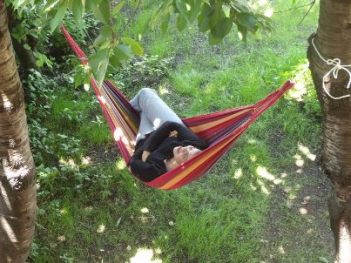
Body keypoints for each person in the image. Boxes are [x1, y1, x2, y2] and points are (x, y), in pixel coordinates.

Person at [129, 88, 208, 182]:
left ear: (181, 168)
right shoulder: (198, 146)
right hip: (163, 127)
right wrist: (148, 150)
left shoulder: (154, 172)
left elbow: (133, 161)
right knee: (145, 93)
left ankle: (131, 108)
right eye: (190, 148)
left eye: (185, 155)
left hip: (145, 137)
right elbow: (171, 125)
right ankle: (138, 105)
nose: (184, 148)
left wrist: (145, 148)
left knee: (143, 104)